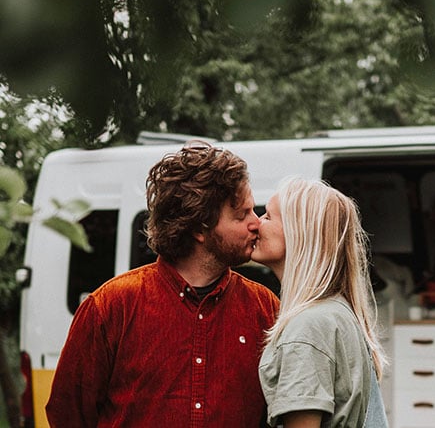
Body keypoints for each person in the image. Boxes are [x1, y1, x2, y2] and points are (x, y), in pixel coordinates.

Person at [46, 141, 281, 427]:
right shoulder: (110, 307)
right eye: (242, 214)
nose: (256, 223)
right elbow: (67, 415)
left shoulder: (265, 308)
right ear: (199, 229)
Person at [252, 177, 388, 428]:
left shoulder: (308, 326)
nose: (256, 223)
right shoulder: (336, 312)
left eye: (268, 216)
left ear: (298, 232)